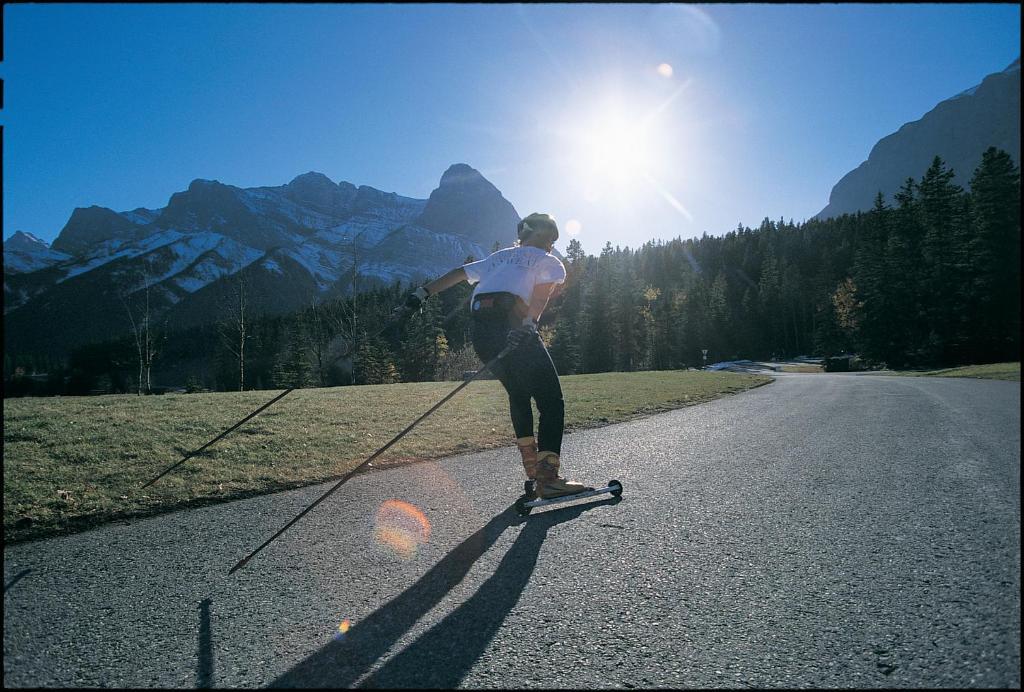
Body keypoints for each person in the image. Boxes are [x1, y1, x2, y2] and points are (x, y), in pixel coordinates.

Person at [400, 212, 591, 500]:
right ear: (540, 235)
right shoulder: (549, 261)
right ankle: (548, 479)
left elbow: (458, 274)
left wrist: (421, 293)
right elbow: (541, 294)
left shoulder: (499, 258)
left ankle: (533, 470)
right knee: (552, 402)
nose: (552, 244)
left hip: (482, 334)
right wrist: (528, 324)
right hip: (514, 327)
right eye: (551, 238)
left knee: (518, 394)